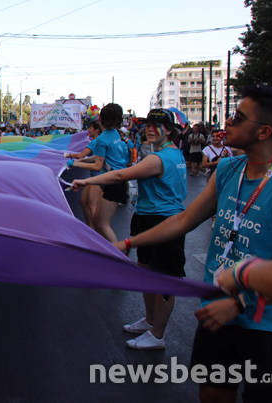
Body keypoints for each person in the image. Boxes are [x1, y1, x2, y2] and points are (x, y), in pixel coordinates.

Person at [114, 86, 272, 402]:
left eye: (238, 117)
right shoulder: (228, 170)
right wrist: (128, 241)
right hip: (215, 310)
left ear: (264, 131)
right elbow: (184, 221)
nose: (226, 121)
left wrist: (240, 302)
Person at [73, 109, 187, 350]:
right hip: (146, 216)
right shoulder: (171, 154)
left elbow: (122, 175)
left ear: (169, 130)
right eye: (147, 125)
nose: (149, 129)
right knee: (146, 272)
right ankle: (150, 319)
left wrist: (86, 180)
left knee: (164, 278)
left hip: (163, 221)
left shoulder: (160, 159)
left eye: (156, 125)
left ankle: (158, 335)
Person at [68, 103, 130, 242]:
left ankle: (119, 253)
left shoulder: (102, 140)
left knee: (101, 223)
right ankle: (97, 242)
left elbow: (97, 165)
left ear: (101, 119)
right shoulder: (116, 134)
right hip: (116, 179)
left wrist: (75, 163)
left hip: (112, 182)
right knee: (87, 206)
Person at [65, 121, 103, 226]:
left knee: (92, 205)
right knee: (83, 201)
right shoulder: (96, 141)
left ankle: (97, 231)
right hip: (95, 175)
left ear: (97, 130)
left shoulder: (96, 142)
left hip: (98, 176)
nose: (88, 130)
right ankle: (90, 227)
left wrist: (69, 156)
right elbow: (93, 158)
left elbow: (82, 155)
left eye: (90, 128)